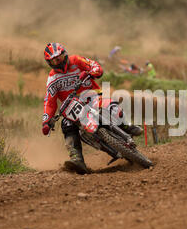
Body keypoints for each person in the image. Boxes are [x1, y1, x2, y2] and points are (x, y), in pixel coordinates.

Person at [41, 42, 142, 174]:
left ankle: (126, 126)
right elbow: (50, 101)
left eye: (59, 57)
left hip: (91, 96)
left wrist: (94, 71)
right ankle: (77, 158)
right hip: (72, 107)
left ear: (64, 54)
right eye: (54, 60)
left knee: (110, 104)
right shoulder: (52, 78)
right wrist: (46, 121)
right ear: (50, 63)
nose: (58, 61)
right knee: (66, 125)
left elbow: (94, 65)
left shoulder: (76, 61)